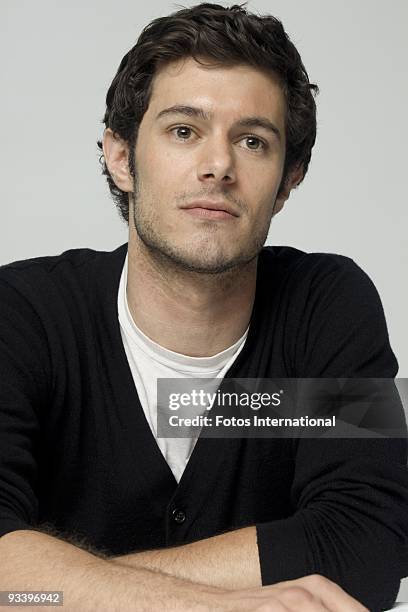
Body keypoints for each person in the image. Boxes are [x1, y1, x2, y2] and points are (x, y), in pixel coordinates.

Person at [0, 3, 407, 610]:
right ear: (120, 156)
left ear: (289, 178)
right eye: (183, 130)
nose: (219, 166)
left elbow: (366, 545)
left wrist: (65, 583)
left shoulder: (330, 306)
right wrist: (208, 603)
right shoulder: (21, 315)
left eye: (252, 140)